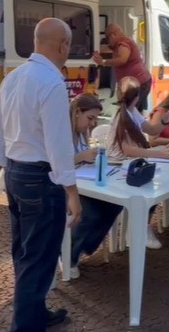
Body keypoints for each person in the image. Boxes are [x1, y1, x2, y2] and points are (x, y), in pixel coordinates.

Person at [0, 17, 83, 331]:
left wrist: (6, 165)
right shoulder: (52, 82)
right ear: (63, 45)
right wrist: (72, 192)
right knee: (39, 257)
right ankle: (27, 325)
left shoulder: (13, 77)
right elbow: (58, 144)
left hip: (16, 173)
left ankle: (35, 312)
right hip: (41, 179)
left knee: (24, 252)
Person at [108, 76, 169, 249]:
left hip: (130, 162)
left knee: (154, 181)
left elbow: (150, 129)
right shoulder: (122, 116)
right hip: (118, 165)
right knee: (150, 186)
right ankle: (140, 229)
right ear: (137, 96)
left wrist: (163, 122)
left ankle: (141, 227)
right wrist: (158, 154)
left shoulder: (132, 112)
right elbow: (128, 150)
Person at [66, 94, 124, 279]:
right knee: (91, 212)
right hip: (66, 186)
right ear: (76, 113)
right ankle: (69, 255)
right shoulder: (61, 132)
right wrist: (82, 157)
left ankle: (82, 247)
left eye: (95, 119)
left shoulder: (82, 133)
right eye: (90, 118)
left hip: (83, 182)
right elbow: (55, 163)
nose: (92, 123)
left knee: (115, 204)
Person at [92, 24, 153, 112]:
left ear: (113, 35)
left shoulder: (123, 43)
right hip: (139, 82)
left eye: (108, 38)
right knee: (133, 111)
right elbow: (106, 48)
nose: (108, 41)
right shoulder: (119, 44)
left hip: (138, 83)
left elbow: (122, 59)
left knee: (129, 111)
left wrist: (103, 62)